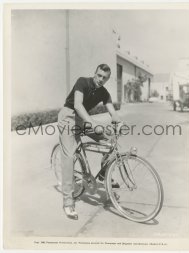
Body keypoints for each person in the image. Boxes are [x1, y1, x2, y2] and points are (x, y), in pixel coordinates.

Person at [58, 64, 121, 220]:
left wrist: (117, 121)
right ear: (95, 73)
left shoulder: (104, 92)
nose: (101, 79)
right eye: (99, 75)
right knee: (69, 157)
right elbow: (78, 105)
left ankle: (103, 174)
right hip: (68, 117)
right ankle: (68, 202)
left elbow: (112, 111)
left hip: (82, 119)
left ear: (107, 79)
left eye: (104, 78)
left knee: (109, 140)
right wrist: (93, 123)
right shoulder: (83, 82)